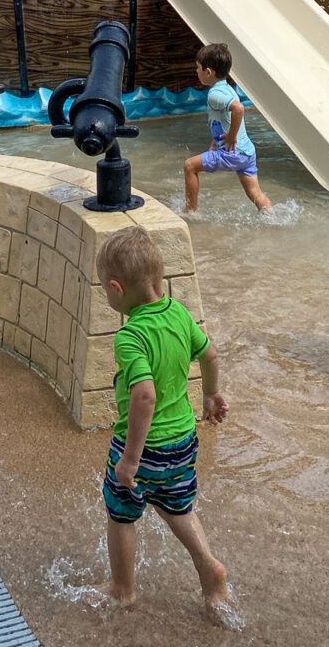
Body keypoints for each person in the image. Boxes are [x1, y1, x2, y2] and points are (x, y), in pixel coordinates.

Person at [96, 226, 230, 619]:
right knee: (178, 505)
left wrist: (131, 459)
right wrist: (209, 395)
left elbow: (144, 396)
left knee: (120, 512)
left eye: (105, 288)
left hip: (145, 447)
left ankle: (122, 589)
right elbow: (211, 356)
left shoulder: (131, 336)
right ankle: (208, 567)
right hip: (183, 442)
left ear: (117, 289)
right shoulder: (179, 313)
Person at [183, 42, 271, 214]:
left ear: (208, 72)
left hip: (232, 153)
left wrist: (231, 137)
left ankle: (190, 211)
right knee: (256, 194)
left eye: (198, 68)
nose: (196, 71)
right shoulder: (227, 89)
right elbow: (224, 119)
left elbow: (238, 109)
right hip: (247, 153)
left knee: (189, 166)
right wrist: (216, 142)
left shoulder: (215, 94)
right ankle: (271, 216)